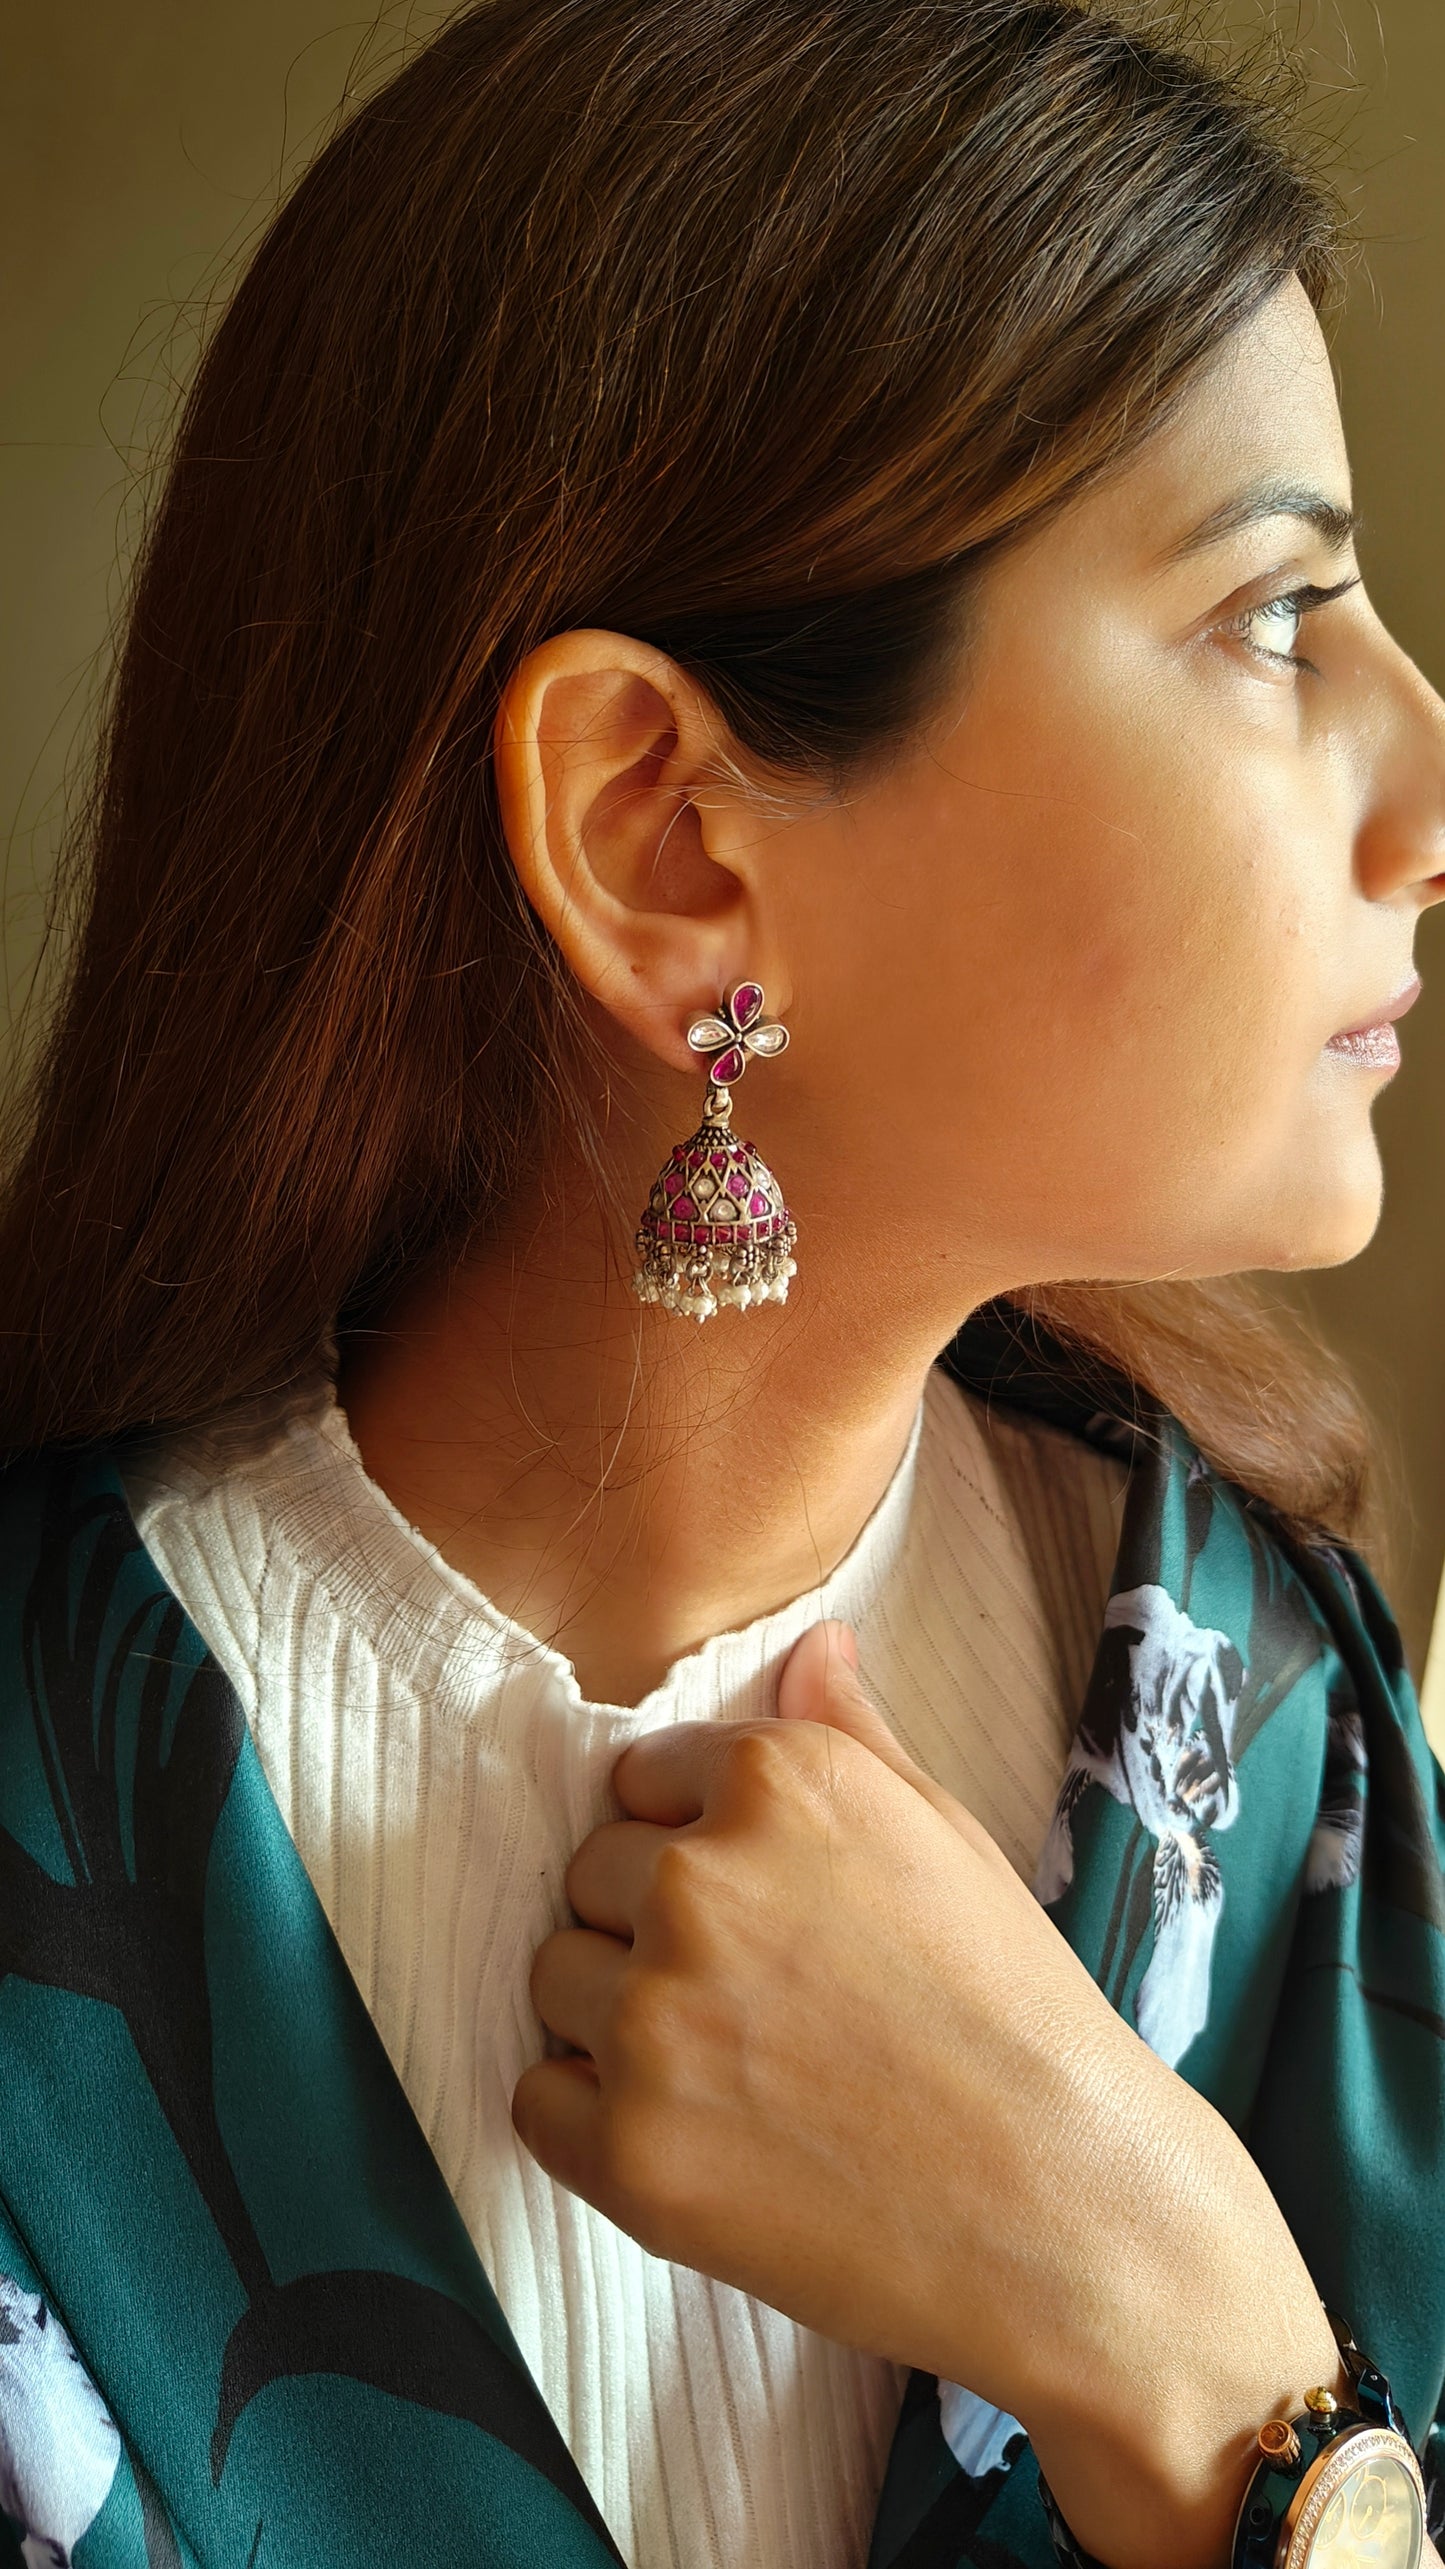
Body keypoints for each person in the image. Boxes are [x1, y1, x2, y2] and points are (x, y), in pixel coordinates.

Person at [1, 1, 1442, 2563]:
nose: (1427, 783)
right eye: (1271, 616)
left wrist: (1200, 2347)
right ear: (664, 835)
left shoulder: (1312, 1749)